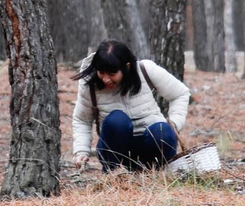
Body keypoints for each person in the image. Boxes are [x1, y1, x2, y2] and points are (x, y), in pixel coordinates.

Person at [71, 40, 191, 172]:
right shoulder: (90, 85)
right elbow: (82, 120)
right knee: (117, 121)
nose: (105, 79)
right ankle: (114, 174)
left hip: (152, 144)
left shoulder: (145, 70)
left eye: (112, 74)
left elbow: (180, 93)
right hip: (115, 149)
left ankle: (156, 172)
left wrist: (174, 124)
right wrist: (81, 151)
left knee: (163, 131)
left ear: (127, 67)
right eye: (101, 72)